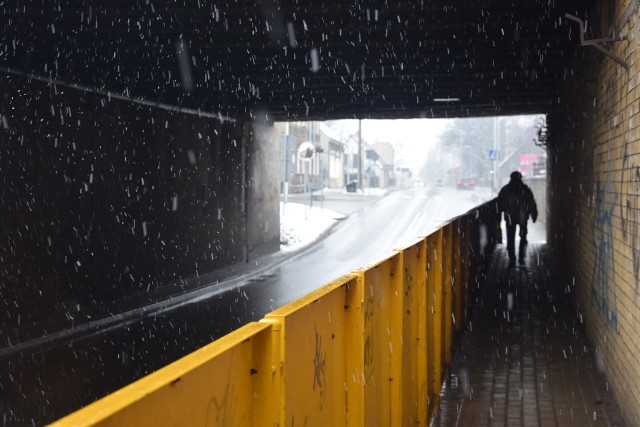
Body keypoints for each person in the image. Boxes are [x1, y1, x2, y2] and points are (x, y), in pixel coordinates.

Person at [497, 171, 538, 265]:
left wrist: (500, 214)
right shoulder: (525, 189)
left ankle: (512, 258)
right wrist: (533, 214)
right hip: (522, 216)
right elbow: (531, 202)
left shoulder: (506, 189)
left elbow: (500, 203)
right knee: (523, 236)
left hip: (510, 216)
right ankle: (521, 257)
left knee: (510, 237)